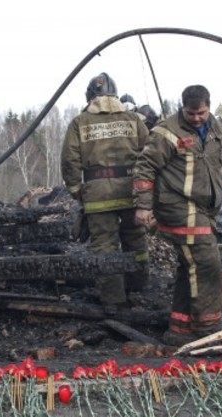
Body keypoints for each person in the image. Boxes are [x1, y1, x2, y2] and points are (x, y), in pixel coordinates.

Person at [133, 85, 222, 345]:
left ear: (209, 107)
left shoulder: (219, 130)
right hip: (176, 205)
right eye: (191, 113)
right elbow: (144, 168)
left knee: (190, 264)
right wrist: (143, 206)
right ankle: (207, 323)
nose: (196, 118)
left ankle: (180, 328)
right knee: (206, 260)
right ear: (182, 108)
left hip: (204, 208)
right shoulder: (166, 131)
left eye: (201, 113)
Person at [61, 73, 151, 314]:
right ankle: (139, 289)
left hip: (98, 194)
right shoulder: (133, 119)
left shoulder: (80, 122)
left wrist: (76, 189)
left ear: (90, 96)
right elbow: (150, 153)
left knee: (104, 246)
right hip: (132, 192)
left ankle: (113, 302)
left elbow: (70, 160)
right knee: (136, 240)